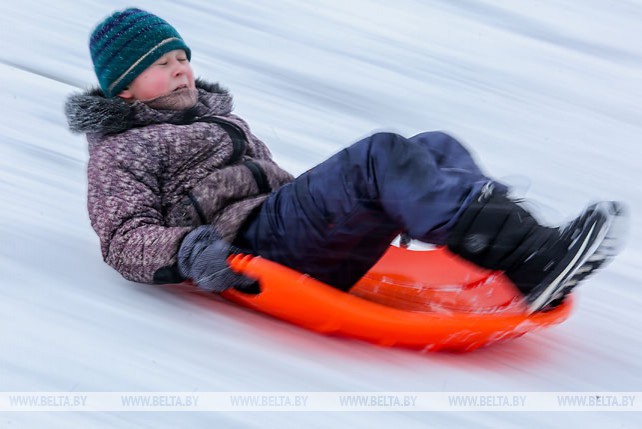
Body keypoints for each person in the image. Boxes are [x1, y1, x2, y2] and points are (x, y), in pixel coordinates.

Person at [65, 8, 624, 314]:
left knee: (432, 146)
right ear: (124, 89)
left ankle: (530, 255)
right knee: (380, 153)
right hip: (252, 247)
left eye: (183, 56)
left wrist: (390, 201)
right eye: (162, 63)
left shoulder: (219, 119)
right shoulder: (121, 148)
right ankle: (533, 257)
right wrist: (188, 250)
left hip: (283, 222)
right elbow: (121, 238)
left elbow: (277, 182)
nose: (182, 68)